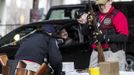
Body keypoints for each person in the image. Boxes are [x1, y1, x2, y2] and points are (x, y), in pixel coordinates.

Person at [78, 0, 129, 71]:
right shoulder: (95, 15)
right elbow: (84, 32)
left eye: (103, 4)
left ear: (110, 2)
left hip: (112, 53)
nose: (101, 7)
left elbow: (124, 37)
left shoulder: (118, 15)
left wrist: (105, 37)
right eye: (99, 5)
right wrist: (86, 22)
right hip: (96, 52)